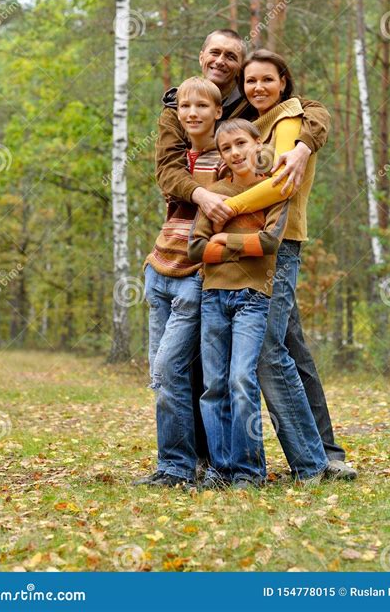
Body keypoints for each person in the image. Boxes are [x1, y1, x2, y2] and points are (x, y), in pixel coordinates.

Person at [156, 30, 356, 479]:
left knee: (277, 350)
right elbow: (168, 172)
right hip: (205, 252)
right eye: (216, 53)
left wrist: (306, 144)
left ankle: (319, 456)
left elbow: (314, 112)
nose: (223, 62)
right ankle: (214, 460)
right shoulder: (182, 112)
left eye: (233, 57)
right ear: (202, 56)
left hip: (267, 244)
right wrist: (206, 201)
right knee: (222, 364)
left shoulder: (264, 115)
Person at [188, 119, 293, 488]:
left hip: (253, 298)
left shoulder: (275, 188)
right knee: (214, 385)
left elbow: (268, 244)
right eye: (226, 148)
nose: (235, 153)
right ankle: (220, 469)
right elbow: (196, 249)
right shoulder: (214, 193)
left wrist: (223, 239)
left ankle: (249, 471)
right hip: (213, 297)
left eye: (240, 144)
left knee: (240, 381)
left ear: (256, 143)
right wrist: (231, 244)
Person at [135, 77, 223, 488]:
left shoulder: (225, 160)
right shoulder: (176, 160)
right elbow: (170, 188)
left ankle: (179, 466)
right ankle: (171, 464)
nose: (191, 113)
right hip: (159, 271)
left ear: (218, 113)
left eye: (201, 107)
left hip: (192, 277)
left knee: (170, 370)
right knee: (162, 376)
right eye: (184, 107)